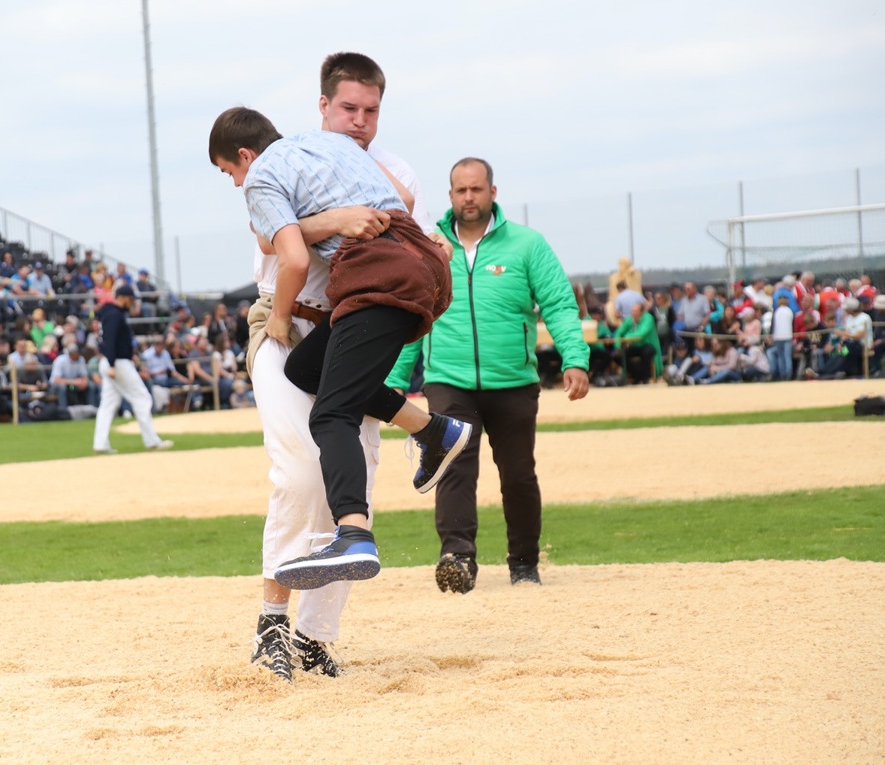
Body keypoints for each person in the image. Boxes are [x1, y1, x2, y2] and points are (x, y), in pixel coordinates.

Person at [227, 53, 449, 682]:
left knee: (355, 478)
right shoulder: (284, 162)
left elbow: (408, 229)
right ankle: (272, 624)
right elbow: (280, 241)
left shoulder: (391, 169)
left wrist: (367, 212)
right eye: (347, 108)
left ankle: (313, 638)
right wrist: (341, 218)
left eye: (370, 111)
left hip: (348, 327)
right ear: (321, 108)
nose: (358, 121)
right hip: (282, 318)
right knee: (299, 471)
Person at [386, 157, 589, 593]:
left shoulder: (527, 245)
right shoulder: (431, 246)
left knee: (518, 474)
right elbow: (413, 316)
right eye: (461, 190)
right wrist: (397, 377)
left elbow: (557, 303)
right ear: (450, 196)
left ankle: (524, 562)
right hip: (448, 378)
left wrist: (575, 358)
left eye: (477, 189)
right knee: (454, 465)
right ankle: (457, 559)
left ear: (492, 193)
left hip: (513, 380)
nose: (469, 198)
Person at [92, 285, 173, 453]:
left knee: (108, 404)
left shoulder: (109, 312)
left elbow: (111, 340)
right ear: (122, 297)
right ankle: (151, 440)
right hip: (117, 363)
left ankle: (100, 444)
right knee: (142, 398)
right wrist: (113, 363)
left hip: (113, 361)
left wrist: (129, 355)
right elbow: (110, 340)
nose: (132, 302)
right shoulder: (114, 314)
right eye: (130, 299)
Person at [612, 300, 661, 384]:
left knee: (647, 353)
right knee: (617, 355)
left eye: (635, 311)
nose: (633, 313)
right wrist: (618, 346)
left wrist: (626, 337)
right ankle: (637, 374)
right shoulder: (630, 319)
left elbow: (641, 334)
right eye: (632, 311)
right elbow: (619, 332)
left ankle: (645, 378)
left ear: (641, 312)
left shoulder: (648, 318)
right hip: (634, 346)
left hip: (648, 344)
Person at [50, 344, 90, 410]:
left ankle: (92, 409)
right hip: (55, 387)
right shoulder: (60, 360)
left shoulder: (81, 359)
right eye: (78, 353)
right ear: (72, 353)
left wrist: (84, 382)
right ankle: (63, 411)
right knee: (62, 387)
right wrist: (75, 382)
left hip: (72, 386)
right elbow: (56, 380)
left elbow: (84, 375)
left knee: (90, 385)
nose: (79, 354)